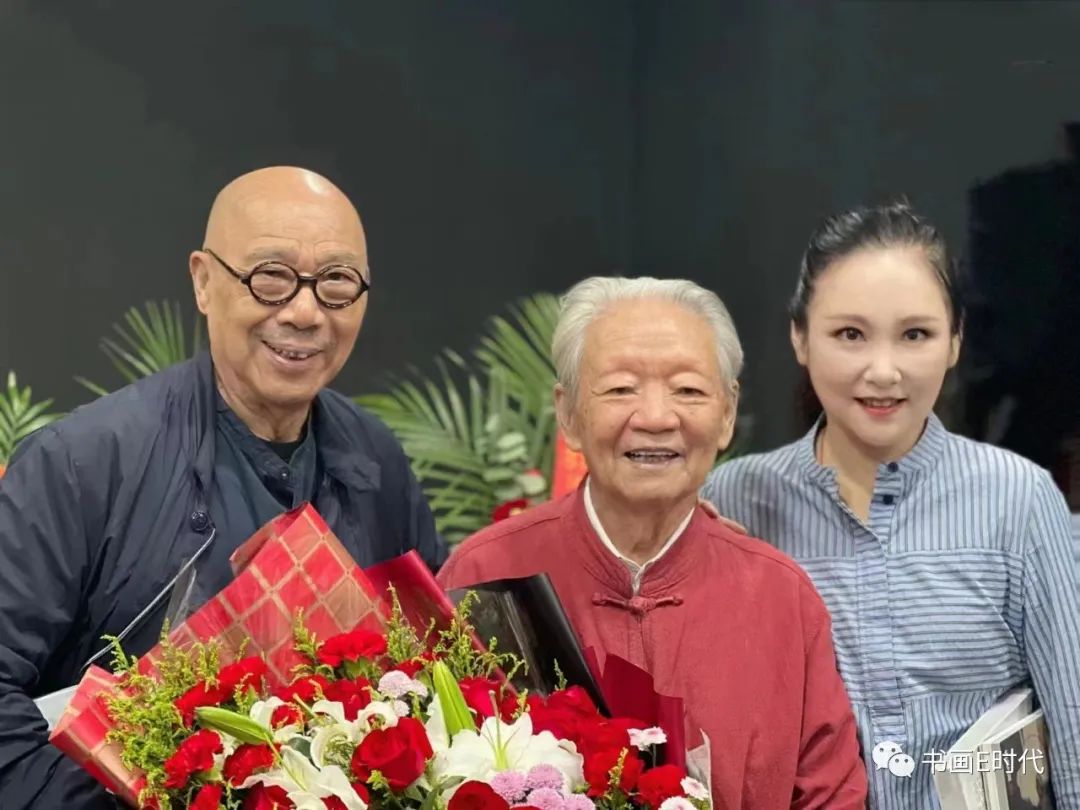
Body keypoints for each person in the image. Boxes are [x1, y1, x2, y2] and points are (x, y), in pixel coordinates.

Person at [0, 166, 447, 807]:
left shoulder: (376, 461)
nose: (304, 312)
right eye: (270, 277)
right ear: (204, 282)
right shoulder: (82, 463)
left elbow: (430, 671)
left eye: (337, 282)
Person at [702, 202, 1080, 808]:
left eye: (915, 335)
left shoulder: (1020, 498)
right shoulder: (736, 498)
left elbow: (1073, 725)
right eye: (850, 335)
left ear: (955, 340)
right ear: (800, 337)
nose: (883, 372)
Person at [438, 277, 868, 808]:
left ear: (727, 413)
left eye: (688, 390)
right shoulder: (484, 573)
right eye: (621, 389)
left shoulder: (781, 597)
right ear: (568, 414)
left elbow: (832, 796)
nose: (657, 418)